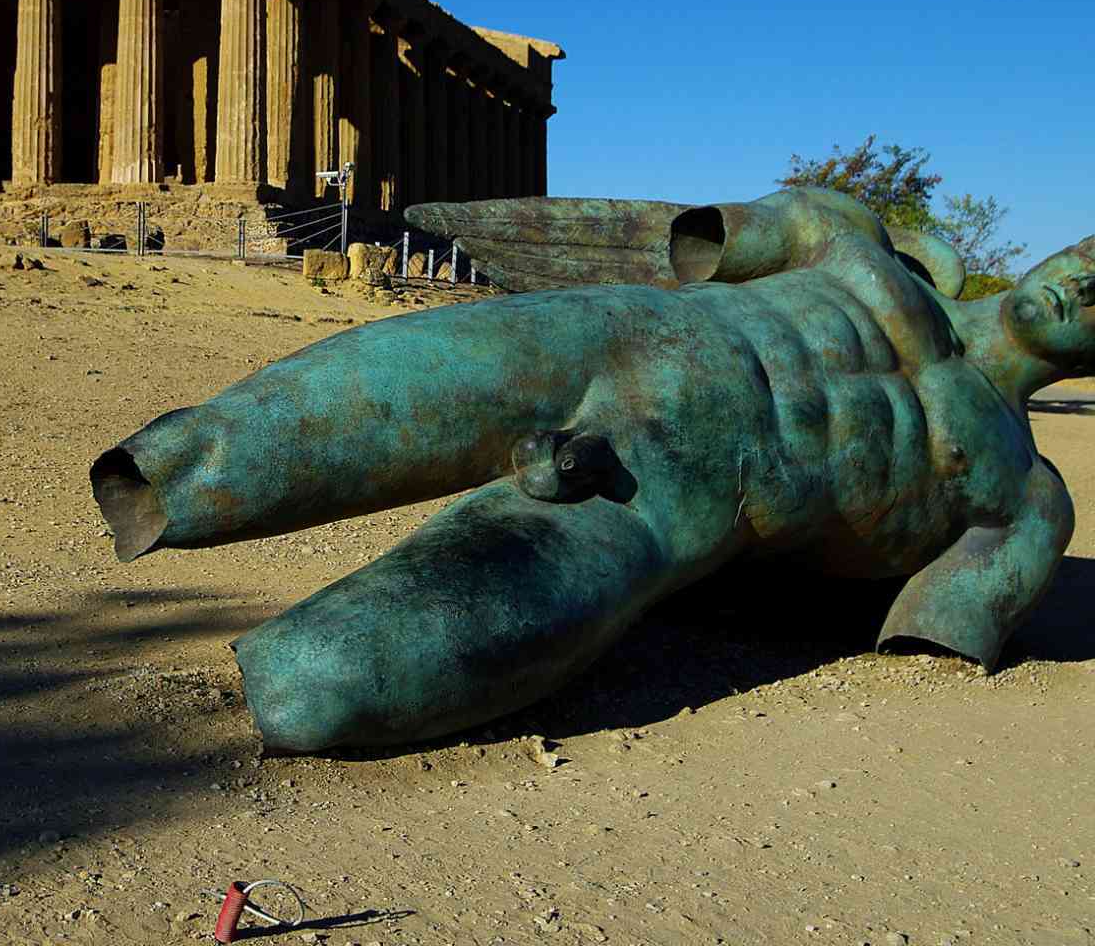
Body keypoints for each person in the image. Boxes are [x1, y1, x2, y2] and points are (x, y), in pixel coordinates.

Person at [92, 188, 1094, 752]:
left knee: (323, 686)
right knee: (354, 400)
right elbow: (708, 241)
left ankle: (281, 684)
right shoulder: (857, 237)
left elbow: (918, 625)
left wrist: (784, 548)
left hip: (673, 487)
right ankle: (165, 483)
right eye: (1086, 259)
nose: (1081, 286)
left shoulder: (1025, 496)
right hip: (617, 337)